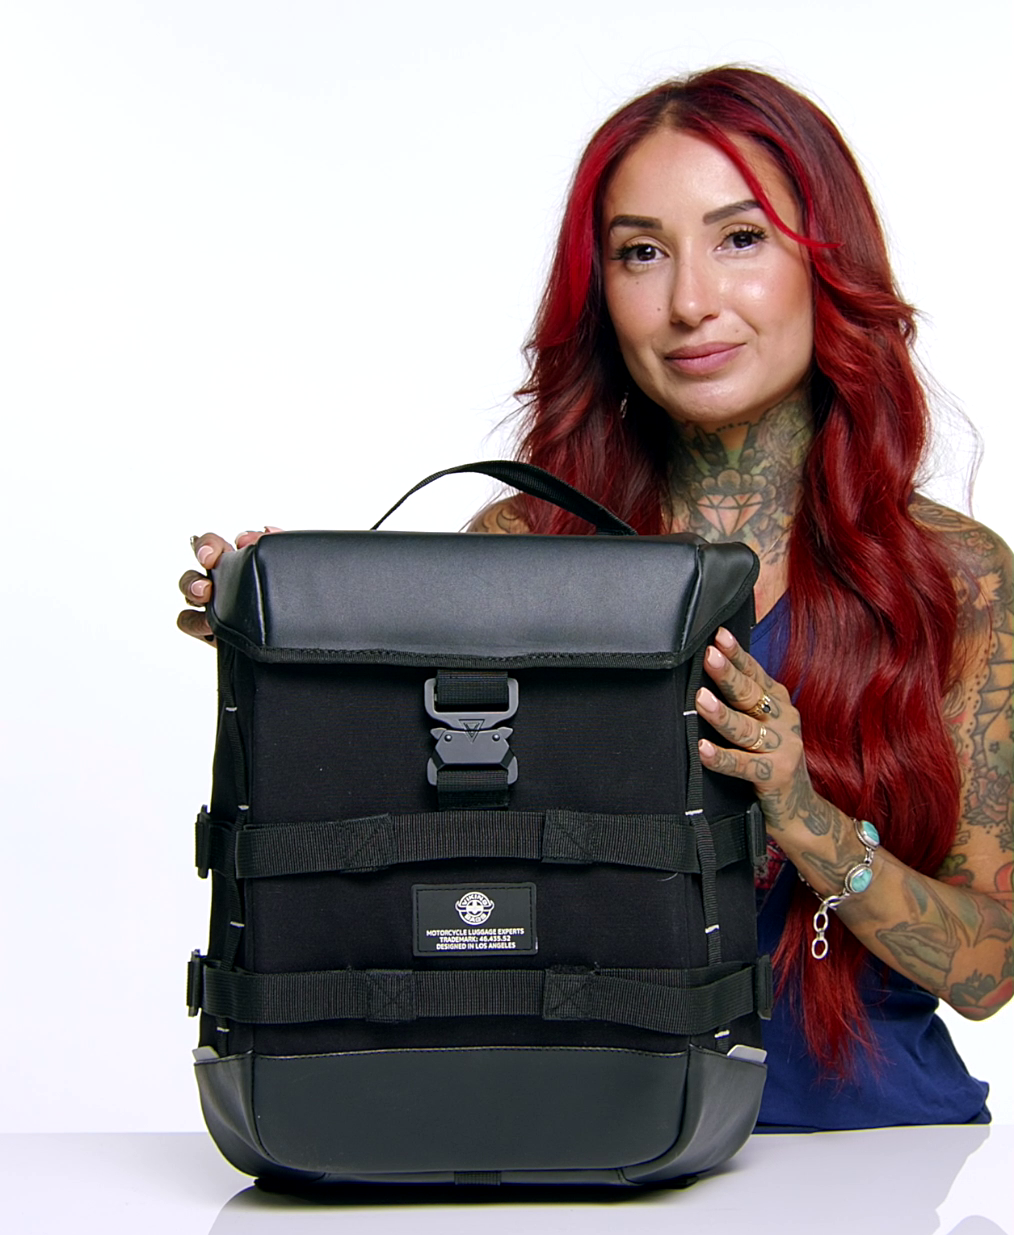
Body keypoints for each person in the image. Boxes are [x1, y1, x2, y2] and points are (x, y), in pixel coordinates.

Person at [178, 67, 1012, 1130]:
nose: (691, 301)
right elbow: (433, 871)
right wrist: (295, 642)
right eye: (642, 252)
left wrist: (802, 813)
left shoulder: (955, 578)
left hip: (870, 1160)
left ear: (826, 261)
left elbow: (990, 973)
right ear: (599, 291)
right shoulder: (519, 552)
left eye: (740, 238)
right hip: (587, 1144)